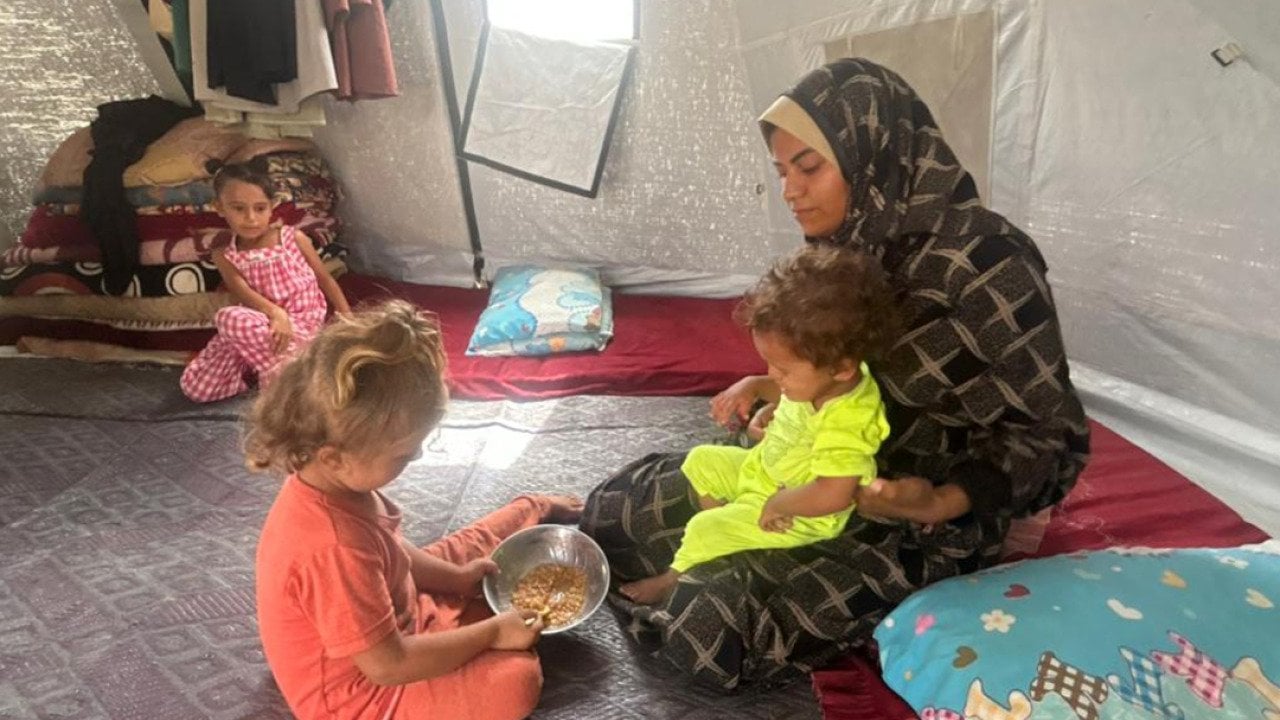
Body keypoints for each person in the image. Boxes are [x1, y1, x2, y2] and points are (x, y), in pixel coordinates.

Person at [580, 58, 1090, 690]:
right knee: (614, 514)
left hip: (915, 511)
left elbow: (1048, 439)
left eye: (809, 167)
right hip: (808, 463)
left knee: (709, 623)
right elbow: (825, 364)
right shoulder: (843, 243)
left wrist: (939, 500)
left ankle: (719, 574)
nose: (790, 191)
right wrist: (783, 396)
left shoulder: (986, 265)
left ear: (872, 155)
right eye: (782, 172)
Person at [250, 300, 584, 720]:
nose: (418, 456)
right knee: (514, 683)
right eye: (404, 454)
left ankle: (529, 511)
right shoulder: (333, 548)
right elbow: (388, 666)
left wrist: (456, 579)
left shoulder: (332, 480)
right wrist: (493, 633)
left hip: (395, 610)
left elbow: (391, 548)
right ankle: (481, 622)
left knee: (475, 562)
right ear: (334, 457)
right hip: (365, 694)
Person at [619, 245, 897, 604]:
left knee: (705, 526)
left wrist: (780, 504)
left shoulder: (850, 418)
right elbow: (791, 397)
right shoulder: (826, 377)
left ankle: (676, 575)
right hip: (764, 469)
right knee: (701, 459)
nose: (772, 374)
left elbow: (834, 493)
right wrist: (754, 387)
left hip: (802, 508)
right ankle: (733, 530)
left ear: (842, 368)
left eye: (782, 369)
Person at [180, 160, 351, 402]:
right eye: (238, 209)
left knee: (229, 318)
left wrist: (348, 319)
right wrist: (275, 314)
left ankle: (282, 383)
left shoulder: (292, 238)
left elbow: (325, 279)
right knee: (196, 386)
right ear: (219, 207)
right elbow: (242, 292)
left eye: (260, 208)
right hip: (259, 328)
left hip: (300, 328)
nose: (250, 218)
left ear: (272, 206)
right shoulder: (224, 255)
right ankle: (283, 371)